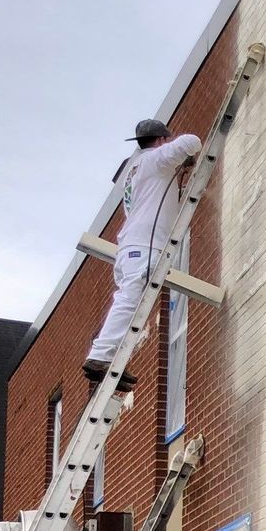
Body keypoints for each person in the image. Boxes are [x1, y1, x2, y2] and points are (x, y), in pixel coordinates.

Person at [82, 117, 202, 386]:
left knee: (132, 305)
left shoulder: (135, 169)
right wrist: (182, 157)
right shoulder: (155, 160)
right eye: (166, 141)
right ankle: (100, 355)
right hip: (144, 245)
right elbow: (192, 141)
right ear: (160, 140)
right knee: (128, 300)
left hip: (133, 245)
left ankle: (111, 360)